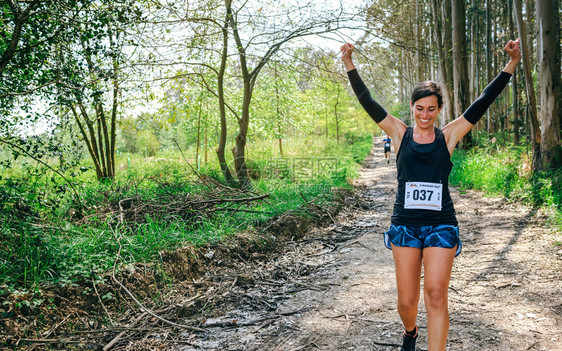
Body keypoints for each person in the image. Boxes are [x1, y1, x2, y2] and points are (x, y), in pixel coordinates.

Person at [341, 39, 521, 351]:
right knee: (407, 302)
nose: (425, 115)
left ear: (439, 110)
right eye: (420, 108)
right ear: (412, 108)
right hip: (405, 225)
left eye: (431, 109)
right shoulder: (399, 133)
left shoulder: (448, 135)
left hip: (441, 224)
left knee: (436, 295)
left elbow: (482, 101)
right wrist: (348, 64)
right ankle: (410, 332)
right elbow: (368, 101)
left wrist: (512, 64)